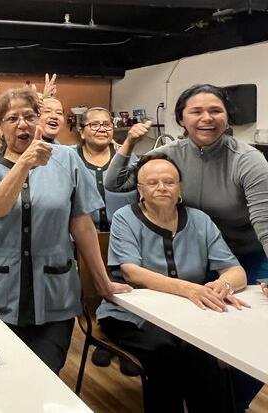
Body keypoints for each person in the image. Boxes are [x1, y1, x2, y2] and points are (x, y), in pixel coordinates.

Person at [104, 84, 268, 409]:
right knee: (197, 345)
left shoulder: (249, 161)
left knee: (254, 339)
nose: (207, 118)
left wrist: (225, 280)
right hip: (196, 253)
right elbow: (117, 182)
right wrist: (131, 142)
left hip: (245, 254)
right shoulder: (169, 155)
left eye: (215, 110)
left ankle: (227, 402)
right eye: (196, 111)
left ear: (227, 116)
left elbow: (266, 221)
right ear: (181, 118)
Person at [0, 87, 130, 374]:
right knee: (0, 379)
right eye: (12, 118)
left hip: (54, 292)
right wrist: (24, 164)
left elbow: (81, 225)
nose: (22, 124)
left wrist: (102, 282)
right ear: (0, 126)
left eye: (30, 116)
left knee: (46, 374)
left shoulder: (66, 160)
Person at [98, 153, 248, 413]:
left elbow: (235, 270)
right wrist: (189, 289)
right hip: (130, 314)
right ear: (140, 190)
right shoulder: (125, 217)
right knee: (164, 353)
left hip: (188, 314)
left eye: (169, 182)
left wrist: (224, 285)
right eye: (152, 182)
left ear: (179, 187)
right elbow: (132, 272)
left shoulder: (200, 220)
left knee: (202, 353)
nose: (161, 188)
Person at [74, 106, 139, 372]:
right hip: (83, 237)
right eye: (94, 125)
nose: (102, 129)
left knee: (125, 287)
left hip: (123, 237)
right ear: (81, 131)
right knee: (92, 292)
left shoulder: (130, 159)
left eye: (107, 124)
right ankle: (102, 339)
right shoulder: (70, 157)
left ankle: (128, 343)